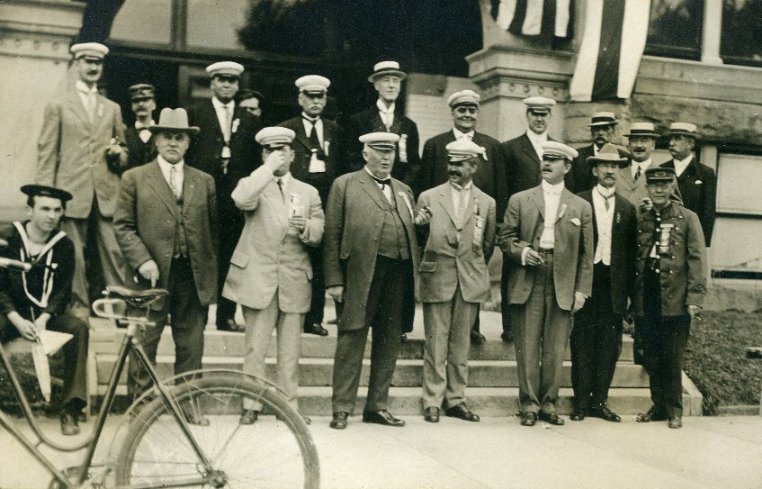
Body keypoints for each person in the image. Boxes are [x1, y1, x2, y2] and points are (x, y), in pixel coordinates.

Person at [113, 108, 218, 408]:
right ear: (156, 141)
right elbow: (122, 226)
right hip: (151, 275)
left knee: (191, 347)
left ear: (188, 143)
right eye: (167, 137)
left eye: (179, 137)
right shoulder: (134, 178)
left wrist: (210, 276)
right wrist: (142, 260)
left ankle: (188, 407)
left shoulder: (204, 181)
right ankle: (140, 407)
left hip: (192, 275)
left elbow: (212, 233)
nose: (173, 142)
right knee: (145, 343)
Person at [223, 127, 324, 425]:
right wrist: (267, 169)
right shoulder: (254, 183)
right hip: (258, 276)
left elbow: (320, 228)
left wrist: (307, 226)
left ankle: (287, 404)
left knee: (290, 350)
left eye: (283, 150)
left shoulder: (308, 192)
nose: (278, 155)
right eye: (271, 150)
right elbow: (240, 199)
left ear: (293, 154)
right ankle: (250, 403)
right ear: (263, 154)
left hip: (294, 277)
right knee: (255, 347)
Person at [324, 132, 420, 430]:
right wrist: (334, 280)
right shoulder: (346, 184)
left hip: (398, 276)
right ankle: (341, 408)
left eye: (390, 152)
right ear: (365, 153)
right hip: (360, 274)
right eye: (379, 152)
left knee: (389, 341)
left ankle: (377, 406)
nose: (385, 157)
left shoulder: (404, 190)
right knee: (351, 339)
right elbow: (332, 234)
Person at [499, 141, 593, 427]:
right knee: (527, 343)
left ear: (567, 167)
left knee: (555, 346)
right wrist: (523, 252)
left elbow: (586, 255)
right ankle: (529, 404)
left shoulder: (580, 206)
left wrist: (581, 290)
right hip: (530, 273)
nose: (547, 164)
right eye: (545, 159)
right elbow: (505, 239)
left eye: (554, 160)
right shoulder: (520, 199)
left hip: (563, 278)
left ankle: (549, 404)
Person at [36, 42, 128, 323]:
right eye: (87, 62)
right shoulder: (59, 105)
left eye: (97, 63)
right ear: (76, 64)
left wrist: (118, 154)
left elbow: (123, 151)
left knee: (113, 251)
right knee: (73, 254)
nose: (93, 67)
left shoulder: (111, 108)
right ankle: (80, 309)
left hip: (105, 193)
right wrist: (45, 194)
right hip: (70, 190)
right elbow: (47, 150)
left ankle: (117, 309)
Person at [415, 138, 496, 423]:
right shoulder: (428, 197)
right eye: (450, 162)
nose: (452, 168)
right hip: (438, 277)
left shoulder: (487, 203)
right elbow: (420, 239)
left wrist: (470, 267)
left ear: (473, 166)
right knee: (435, 343)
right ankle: (432, 400)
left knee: (460, 345)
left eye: (459, 164)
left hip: (469, 280)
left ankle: (456, 399)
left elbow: (486, 245)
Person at [417, 89, 505, 344]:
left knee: (472, 272)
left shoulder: (492, 146)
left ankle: (472, 327)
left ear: (477, 113)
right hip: (442, 226)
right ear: (453, 113)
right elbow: (425, 184)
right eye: (461, 110)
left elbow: (499, 188)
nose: (467, 115)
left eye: (471, 110)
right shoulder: (435, 144)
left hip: (476, 224)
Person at [0, 185, 89, 435]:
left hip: (43, 316)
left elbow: (63, 291)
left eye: (57, 210)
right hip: (10, 314)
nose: (51, 215)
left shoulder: (64, 246)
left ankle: (70, 409)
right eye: (45, 209)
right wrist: (16, 319)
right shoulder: (8, 237)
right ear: (30, 210)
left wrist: (44, 318)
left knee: (77, 329)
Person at [185, 61, 262, 333]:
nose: (227, 85)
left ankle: (226, 315)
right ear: (212, 83)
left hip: (235, 200)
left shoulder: (250, 119)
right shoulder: (196, 113)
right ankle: (199, 312)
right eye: (221, 80)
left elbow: (256, 162)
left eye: (232, 80)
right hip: (203, 195)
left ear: (237, 84)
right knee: (203, 252)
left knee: (232, 256)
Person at [633, 167, 707, 430]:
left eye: (664, 185)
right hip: (648, 296)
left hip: (675, 299)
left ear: (672, 187)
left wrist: (695, 297)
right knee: (651, 356)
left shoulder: (687, 218)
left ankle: (675, 410)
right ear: (648, 188)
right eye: (654, 185)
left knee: (672, 357)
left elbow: (697, 260)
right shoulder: (642, 217)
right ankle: (659, 406)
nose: (659, 190)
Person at [570, 145, 636, 423]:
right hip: (587, 280)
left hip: (614, 284)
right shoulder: (579, 201)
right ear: (594, 170)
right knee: (582, 341)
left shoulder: (627, 208)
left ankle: (600, 401)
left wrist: (630, 292)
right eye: (604, 166)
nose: (610, 171)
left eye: (615, 166)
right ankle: (581, 403)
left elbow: (632, 253)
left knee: (609, 345)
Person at [278, 75, 343, 337]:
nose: (316, 101)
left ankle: (314, 318)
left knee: (320, 260)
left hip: (327, 202)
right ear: (300, 98)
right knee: (295, 256)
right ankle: (290, 312)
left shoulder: (335, 130)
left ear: (325, 99)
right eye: (310, 96)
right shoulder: (288, 129)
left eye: (320, 97)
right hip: (297, 199)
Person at [498, 96, 558, 344]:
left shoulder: (557, 148)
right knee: (513, 270)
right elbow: (502, 188)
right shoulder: (510, 148)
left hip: (549, 219)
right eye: (535, 114)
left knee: (545, 272)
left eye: (544, 114)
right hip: (519, 219)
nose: (539, 119)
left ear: (550, 117)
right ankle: (510, 325)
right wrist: (503, 225)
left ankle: (541, 325)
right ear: (527, 116)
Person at [343, 61, 420, 187]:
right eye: (386, 80)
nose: (391, 85)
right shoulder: (359, 121)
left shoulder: (409, 125)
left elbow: (414, 165)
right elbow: (352, 160)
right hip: (366, 188)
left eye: (396, 81)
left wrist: (399, 188)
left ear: (400, 86)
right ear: (376, 85)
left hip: (397, 190)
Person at [660, 122, 716, 246]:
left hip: (691, 239)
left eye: (678, 139)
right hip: (665, 237)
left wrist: (703, 245)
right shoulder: (662, 170)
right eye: (671, 138)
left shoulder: (705, 173)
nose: (671, 143)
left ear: (691, 143)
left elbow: (708, 213)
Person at [567, 112, 629, 193]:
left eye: (605, 129)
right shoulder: (577, 157)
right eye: (596, 129)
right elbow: (570, 189)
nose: (600, 133)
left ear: (613, 131)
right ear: (591, 131)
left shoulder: (624, 158)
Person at [616, 122, 662, 208]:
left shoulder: (663, 174)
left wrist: (656, 208)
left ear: (653, 145)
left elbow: (676, 209)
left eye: (644, 140)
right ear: (629, 145)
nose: (639, 145)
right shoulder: (617, 173)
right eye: (634, 140)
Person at [124, 83, 158, 170]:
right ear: (132, 106)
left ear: (154, 105)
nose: (141, 104)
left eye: (145, 100)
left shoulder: (162, 134)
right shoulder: (124, 135)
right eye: (136, 101)